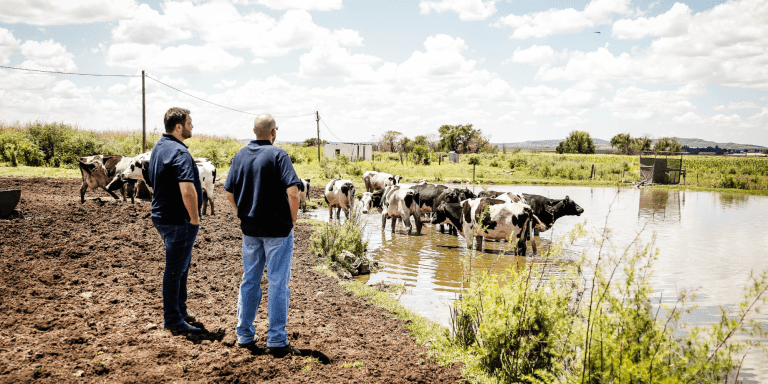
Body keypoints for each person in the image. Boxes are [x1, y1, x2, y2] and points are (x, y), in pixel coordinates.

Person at [224, 114, 302, 357]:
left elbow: (228, 193)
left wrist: (243, 214)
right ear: (273, 132)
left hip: (250, 231)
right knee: (278, 283)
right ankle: (277, 340)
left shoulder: (239, 155)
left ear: (254, 131)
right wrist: (293, 219)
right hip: (278, 231)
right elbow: (293, 192)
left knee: (250, 280)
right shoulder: (279, 155)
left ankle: (244, 335)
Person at [148, 107, 204, 334]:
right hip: (178, 219)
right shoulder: (180, 153)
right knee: (174, 270)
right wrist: (194, 218)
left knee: (181, 266)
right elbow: (188, 190)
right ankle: (172, 319)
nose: (192, 126)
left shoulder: (159, 147)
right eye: (190, 123)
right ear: (179, 126)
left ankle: (180, 310)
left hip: (161, 215)